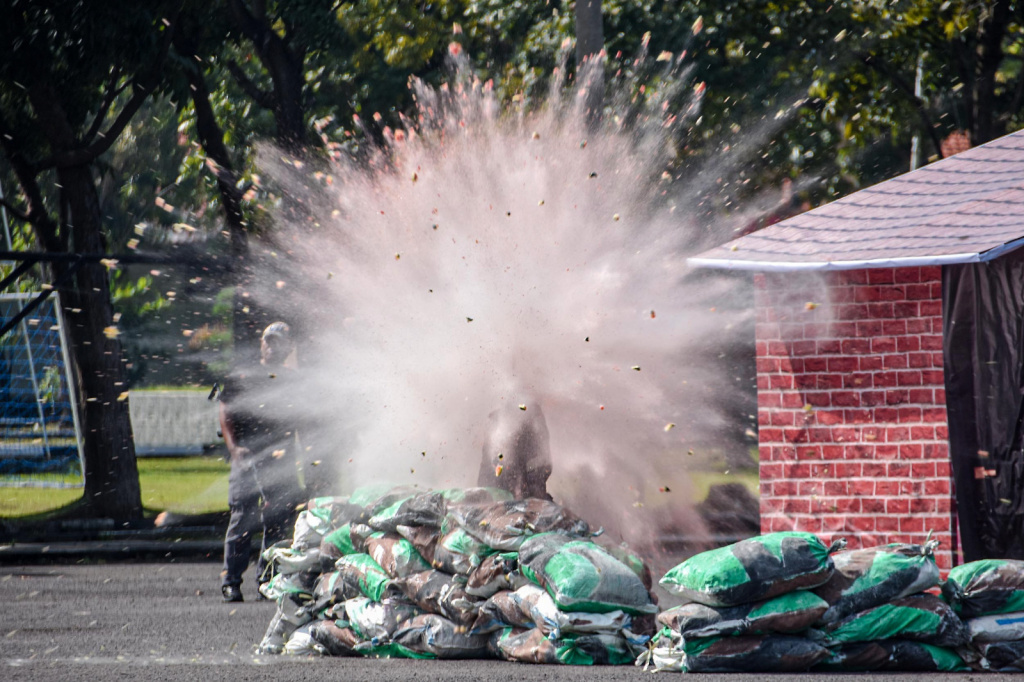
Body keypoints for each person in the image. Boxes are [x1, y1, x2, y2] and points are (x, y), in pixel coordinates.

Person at [220, 322, 307, 602]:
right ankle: (231, 582)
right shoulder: (243, 375)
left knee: (278, 519)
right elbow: (226, 411)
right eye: (268, 340)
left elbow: (303, 421)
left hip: (280, 458)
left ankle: (267, 580)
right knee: (242, 518)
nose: (272, 346)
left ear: (288, 348)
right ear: (261, 343)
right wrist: (234, 448)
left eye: (278, 342)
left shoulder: (294, 380)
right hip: (246, 455)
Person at [477, 400, 553, 500]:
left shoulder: (532, 423)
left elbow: (541, 466)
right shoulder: (495, 432)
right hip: (498, 496)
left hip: (526, 497)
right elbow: (486, 474)